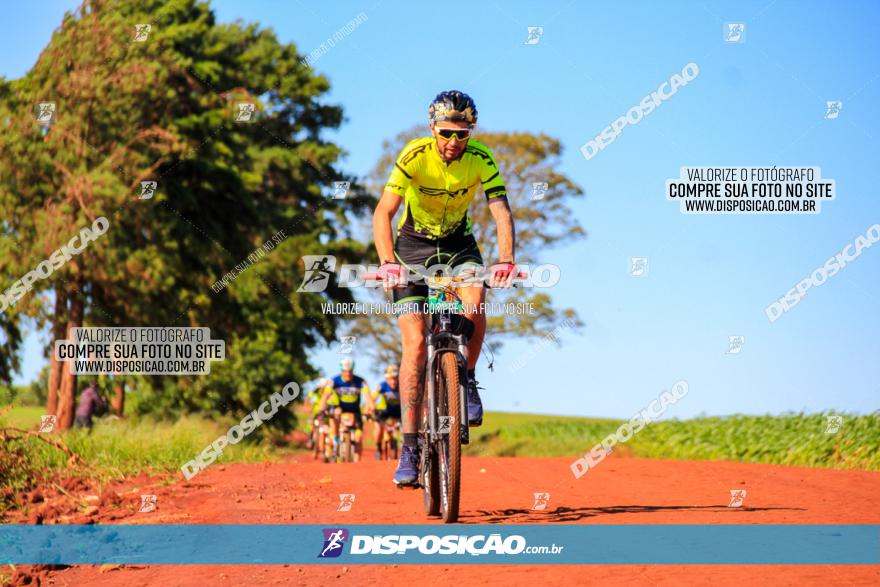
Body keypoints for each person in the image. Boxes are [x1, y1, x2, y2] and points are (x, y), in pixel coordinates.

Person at [372, 90, 518, 486]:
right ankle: (409, 446)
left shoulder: (481, 158)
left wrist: (505, 258)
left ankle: (466, 378)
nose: (454, 142)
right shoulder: (414, 156)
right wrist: (387, 264)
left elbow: (500, 211)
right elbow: (383, 213)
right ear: (432, 128)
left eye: (463, 134)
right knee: (416, 345)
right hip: (411, 251)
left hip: (458, 248)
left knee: (476, 297)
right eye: (447, 133)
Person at [317, 357, 375, 462]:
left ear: (353, 370)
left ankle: (357, 465)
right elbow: (325, 396)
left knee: (358, 438)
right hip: (339, 408)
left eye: (350, 371)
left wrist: (372, 410)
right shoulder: (334, 381)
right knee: (335, 413)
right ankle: (334, 441)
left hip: (355, 411)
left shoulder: (361, 381)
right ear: (341, 371)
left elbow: (368, 397)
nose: (348, 374)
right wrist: (321, 410)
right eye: (345, 371)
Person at [371, 365, 402, 460]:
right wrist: (370, 408)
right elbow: (373, 399)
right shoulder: (382, 386)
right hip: (385, 412)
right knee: (378, 426)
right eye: (390, 379)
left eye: (395, 379)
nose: (393, 382)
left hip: (399, 412)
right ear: (386, 379)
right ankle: (379, 447)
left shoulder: (403, 385)